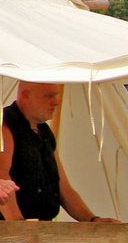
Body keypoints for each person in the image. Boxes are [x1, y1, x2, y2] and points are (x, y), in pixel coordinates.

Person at [0, 82, 114, 223]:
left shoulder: (44, 132)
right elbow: (2, 178)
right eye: (49, 96)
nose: (56, 102)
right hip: (13, 234)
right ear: (26, 95)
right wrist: (20, 227)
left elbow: (63, 187)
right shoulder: (5, 125)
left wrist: (92, 219)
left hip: (40, 229)